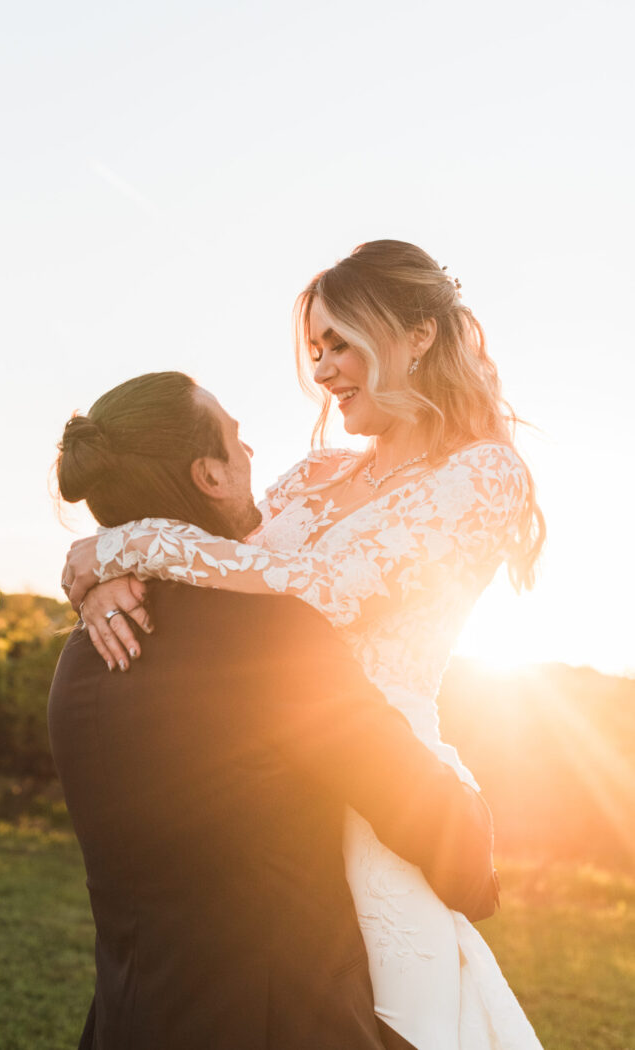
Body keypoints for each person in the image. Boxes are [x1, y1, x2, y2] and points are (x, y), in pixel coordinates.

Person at [64, 240, 546, 1049]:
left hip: (377, 787)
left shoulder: (483, 475)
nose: (321, 370)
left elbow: (317, 591)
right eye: (314, 350)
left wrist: (128, 544)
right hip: (257, 787)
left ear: (417, 336)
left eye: (340, 344)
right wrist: (101, 573)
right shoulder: (308, 475)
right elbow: (219, 584)